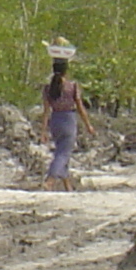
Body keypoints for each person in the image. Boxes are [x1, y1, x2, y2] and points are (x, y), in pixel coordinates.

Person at [41, 43, 90, 191]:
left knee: (61, 152)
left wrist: (43, 130)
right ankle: (50, 180)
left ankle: (68, 186)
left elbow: (45, 111)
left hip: (55, 121)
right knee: (63, 153)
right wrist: (88, 125)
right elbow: (80, 107)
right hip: (68, 120)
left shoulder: (48, 88)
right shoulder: (72, 86)